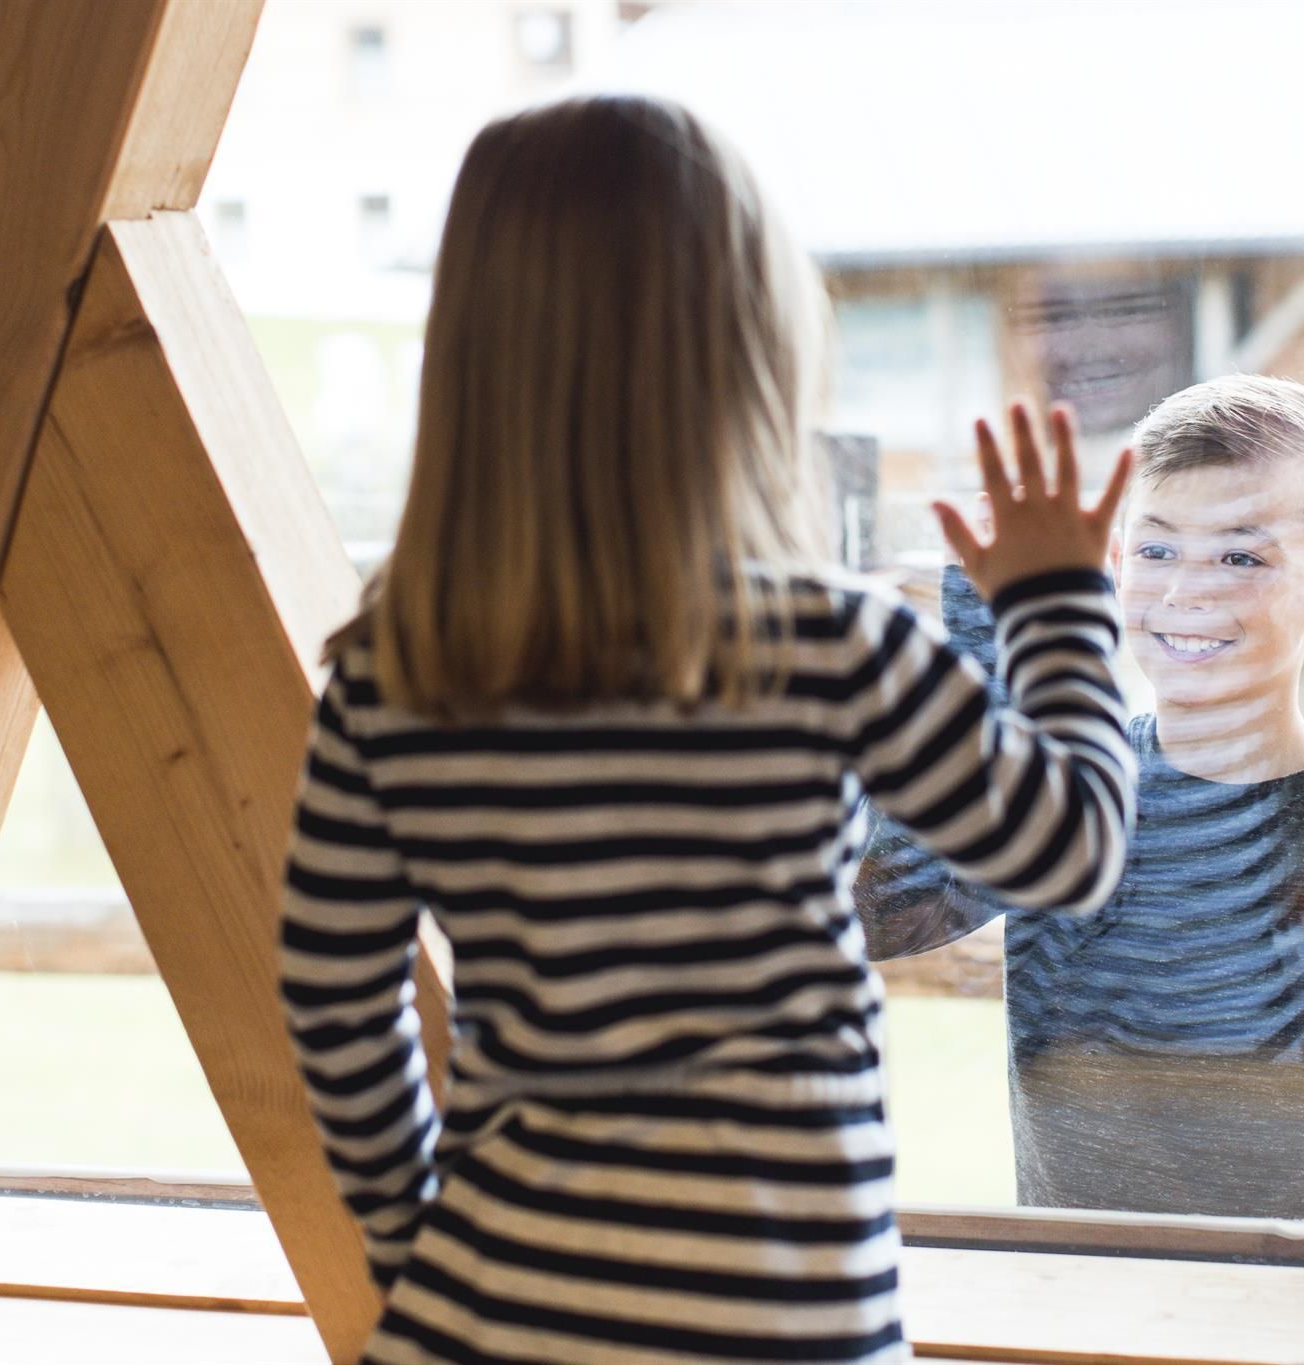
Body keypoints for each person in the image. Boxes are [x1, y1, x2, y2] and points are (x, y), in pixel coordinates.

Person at [277, 95, 1136, 1364]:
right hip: (782, 1319)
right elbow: (1068, 850)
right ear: (750, 350)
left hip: (487, 1309)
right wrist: (1055, 603)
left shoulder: (397, 674)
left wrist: (417, 1243)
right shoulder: (827, 646)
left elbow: (331, 1001)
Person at [858, 375, 1304, 1229]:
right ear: (1115, 565)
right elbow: (880, 915)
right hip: (1083, 1300)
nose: (1184, 592)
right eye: (1158, 549)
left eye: (1241, 557)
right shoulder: (1060, 796)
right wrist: (1000, 636)